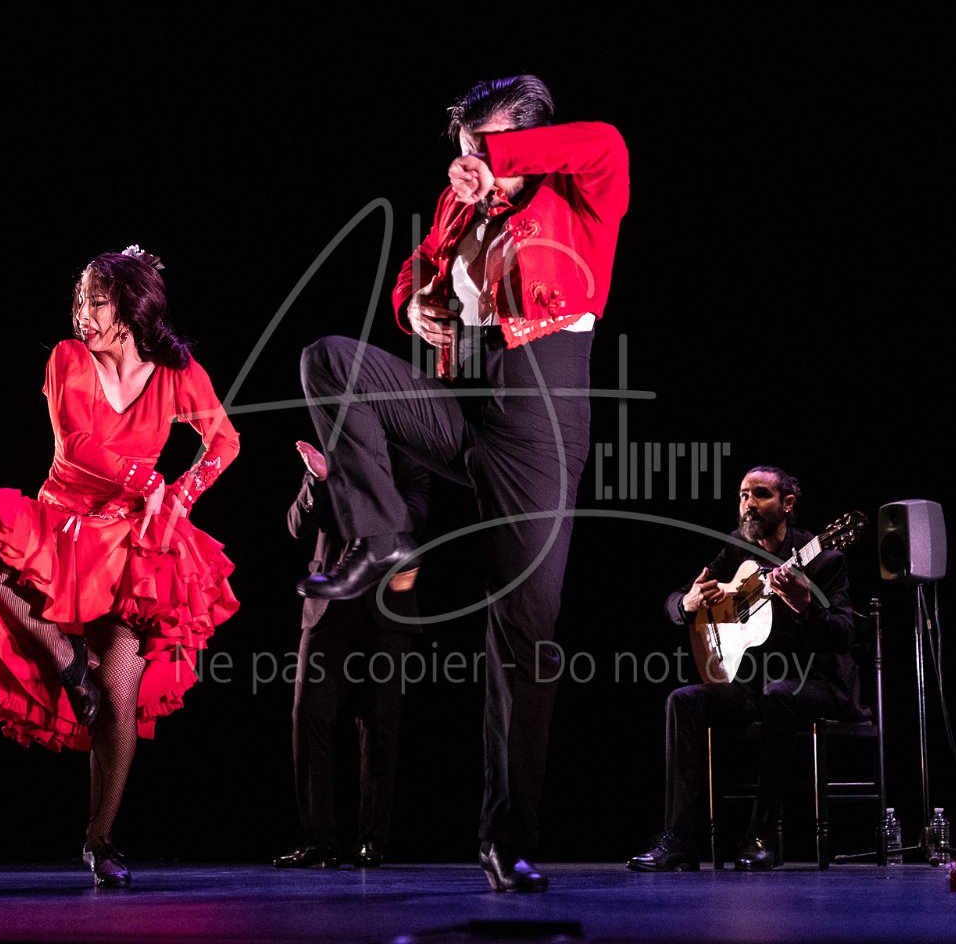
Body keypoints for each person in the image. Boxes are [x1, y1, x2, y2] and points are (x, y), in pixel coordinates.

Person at [297, 74, 629, 892]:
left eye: (488, 146)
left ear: (526, 141)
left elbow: (604, 142)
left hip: (538, 414)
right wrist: (412, 308)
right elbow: (416, 274)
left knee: (524, 630)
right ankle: (382, 536)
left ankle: (505, 838)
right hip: (462, 397)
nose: (470, 164)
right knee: (330, 361)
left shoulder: (581, 193)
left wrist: (498, 158)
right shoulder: (458, 206)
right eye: (465, 147)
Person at [0, 245, 241, 889]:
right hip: (64, 529)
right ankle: (61, 651)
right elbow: (78, 445)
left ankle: (100, 838)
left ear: (130, 308)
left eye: (96, 302)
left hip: (132, 547)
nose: (82, 314)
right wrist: (149, 479)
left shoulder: (176, 372)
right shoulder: (69, 358)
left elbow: (225, 440)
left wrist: (182, 495)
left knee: (120, 696)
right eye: (79, 301)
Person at [627, 466, 862, 873]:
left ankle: (763, 835)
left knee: (779, 694)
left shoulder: (826, 558)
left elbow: (844, 635)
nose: (747, 504)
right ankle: (679, 841)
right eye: (742, 495)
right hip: (754, 684)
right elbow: (678, 599)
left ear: (788, 503)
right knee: (684, 700)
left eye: (760, 494)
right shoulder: (737, 549)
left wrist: (807, 608)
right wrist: (687, 603)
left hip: (818, 683)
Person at [274, 439, 427, 870]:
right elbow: (297, 526)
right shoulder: (331, 457)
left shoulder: (408, 459)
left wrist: (352, 483)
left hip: (387, 609)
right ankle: (318, 840)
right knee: (309, 716)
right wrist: (316, 480)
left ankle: (372, 840)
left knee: (379, 725)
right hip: (328, 609)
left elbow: (413, 517)